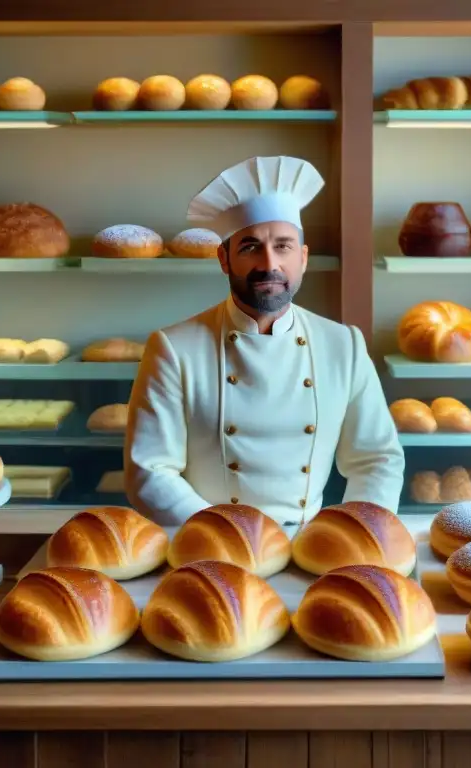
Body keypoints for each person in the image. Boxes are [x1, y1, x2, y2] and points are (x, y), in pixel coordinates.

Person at [125, 155, 404, 526]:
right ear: (224, 259)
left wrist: (357, 535)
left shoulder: (343, 346)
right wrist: (221, 536)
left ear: (302, 258)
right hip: (211, 547)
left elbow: (377, 458)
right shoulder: (174, 349)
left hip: (309, 543)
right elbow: (150, 469)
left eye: (284, 246)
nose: (268, 263)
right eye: (249, 246)